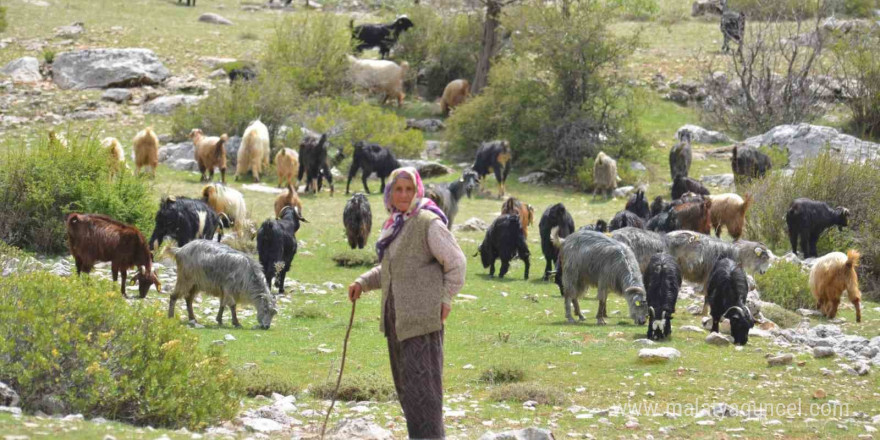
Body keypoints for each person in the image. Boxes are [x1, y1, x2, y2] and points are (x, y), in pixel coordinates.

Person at [348, 167, 466, 440]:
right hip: (397, 320)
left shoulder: (428, 222)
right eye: (398, 189)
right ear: (390, 192)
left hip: (422, 320)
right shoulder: (395, 223)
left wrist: (446, 298)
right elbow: (390, 269)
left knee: (425, 395)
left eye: (408, 189)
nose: (403, 195)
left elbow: (457, 263)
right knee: (408, 394)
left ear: (417, 191)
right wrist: (363, 282)